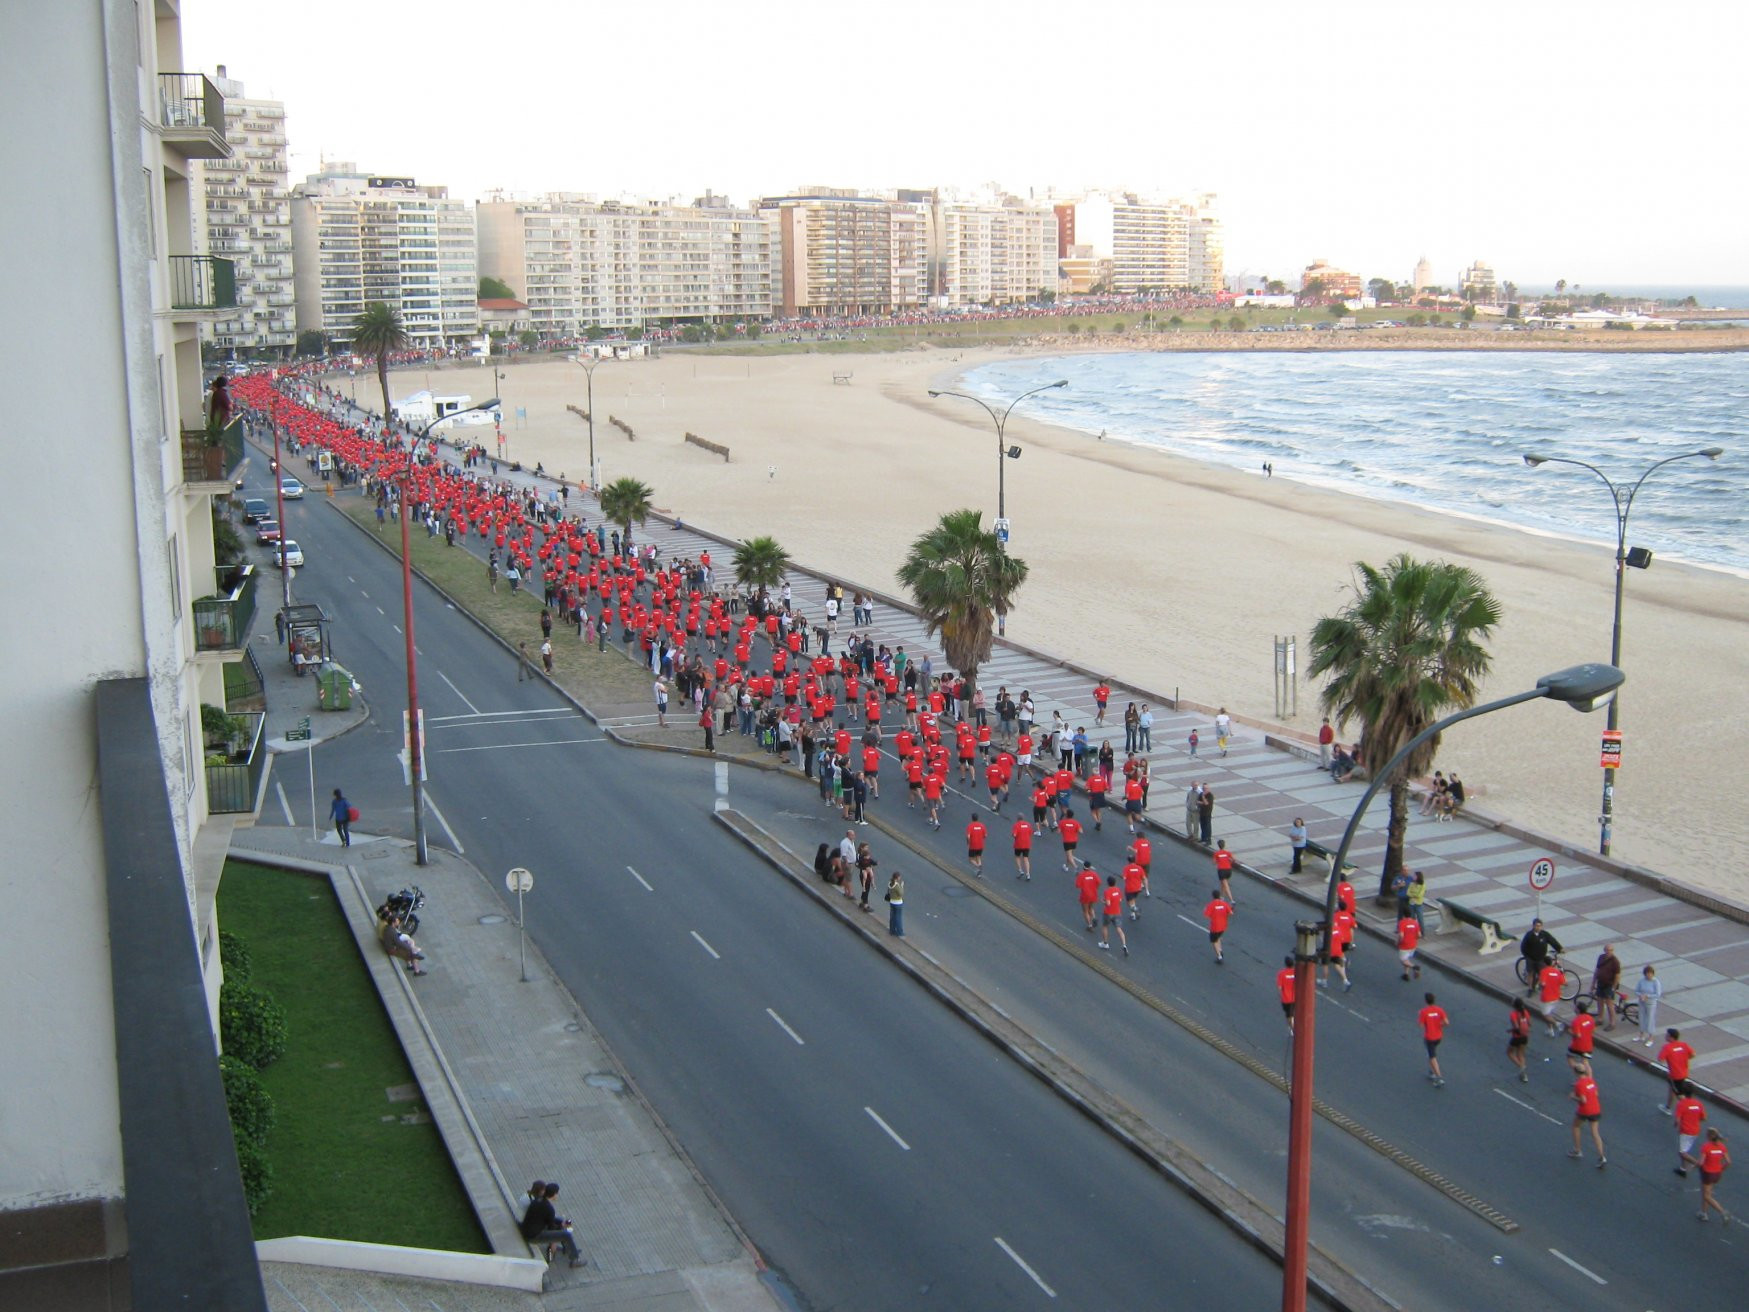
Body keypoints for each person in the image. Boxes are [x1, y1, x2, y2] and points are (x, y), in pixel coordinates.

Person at [520, 1181, 584, 1267]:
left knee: (560, 1221)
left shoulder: (538, 1200)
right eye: (557, 1193)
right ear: (554, 1195)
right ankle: (574, 1259)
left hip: (529, 1228)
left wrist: (560, 1223)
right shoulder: (549, 1208)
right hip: (534, 1235)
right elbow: (551, 1227)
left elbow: (548, 1219)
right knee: (566, 1235)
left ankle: (568, 1249)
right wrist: (561, 1226)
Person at [1569, 1062, 1607, 1167]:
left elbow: (1583, 1100)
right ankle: (1602, 1156)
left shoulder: (1579, 1084)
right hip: (1596, 1109)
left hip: (1585, 1110)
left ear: (1575, 1072)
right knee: (1595, 1133)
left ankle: (1577, 1150)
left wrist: (1573, 1097)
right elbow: (1596, 1093)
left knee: (1576, 1126)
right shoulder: (1591, 1080)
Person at [1697, 1128, 1731, 1222]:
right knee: (1707, 1192)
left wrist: (1696, 1164)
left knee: (1706, 1196)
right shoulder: (1722, 1147)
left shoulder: (1706, 1147)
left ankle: (1723, 1212)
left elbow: (1701, 1162)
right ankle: (1703, 1213)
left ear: (1709, 1136)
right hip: (1717, 1173)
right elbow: (1728, 1162)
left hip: (1707, 1173)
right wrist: (1721, 1169)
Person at [1673, 1082, 1707, 1177]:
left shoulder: (1681, 1104)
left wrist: (1676, 1125)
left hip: (1686, 1131)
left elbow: (1677, 1120)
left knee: (1682, 1153)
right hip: (1695, 1130)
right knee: (1685, 1149)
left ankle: (1698, 1164)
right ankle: (1683, 1169)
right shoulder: (1698, 1104)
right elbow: (1703, 1118)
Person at [1658, 1029, 1697, 1112]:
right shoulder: (1684, 1045)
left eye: (1667, 1035)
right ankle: (1668, 1107)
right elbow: (1693, 1054)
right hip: (1684, 1072)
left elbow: (1660, 1059)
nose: (1665, 1036)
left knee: (1679, 1094)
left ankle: (1690, 1110)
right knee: (1673, 1089)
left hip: (1674, 1075)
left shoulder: (1667, 1047)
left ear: (1671, 1037)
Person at [1520, 917, 1563, 983]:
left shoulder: (1544, 934)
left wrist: (1559, 948)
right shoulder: (1529, 935)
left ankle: (1541, 984)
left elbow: (1552, 941)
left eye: (1540, 926)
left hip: (1540, 957)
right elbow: (1523, 947)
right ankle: (1530, 987)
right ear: (1533, 926)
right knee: (1530, 973)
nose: (1538, 928)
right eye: (1536, 926)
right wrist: (1527, 956)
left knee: (1542, 972)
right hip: (1531, 958)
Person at [1418, 993, 1448, 1087]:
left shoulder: (1424, 1012)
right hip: (1438, 1037)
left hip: (1429, 1038)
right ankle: (1432, 1071)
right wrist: (1439, 1025)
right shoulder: (1440, 1010)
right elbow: (1446, 1022)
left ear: (1425, 1001)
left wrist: (1426, 1021)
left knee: (1432, 1057)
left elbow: (1421, 1025)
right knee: (1432, 1052)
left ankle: (1439, 1077)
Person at [1591, 944, 1622, 1031]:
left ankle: (1612, 1023)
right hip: (1600, 983)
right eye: (1607, 950)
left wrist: (1613, 987)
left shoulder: (1615, 961)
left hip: (1609, 985)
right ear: (1604, 950)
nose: (1608, 952)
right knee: (1599, 1001)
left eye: (1610, 950)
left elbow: (1617, 975)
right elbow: (1597, 970)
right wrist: (1593, 983)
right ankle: (1600, 1019)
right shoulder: (1601, 957)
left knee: (1609, 1004)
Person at [1538, 957, 1568, 1036]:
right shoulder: (1557, 972)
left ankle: (1558, 1024)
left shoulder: (1543, 971)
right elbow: (1565, 983)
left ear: (1544, 963)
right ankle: (1550, 1030)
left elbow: (1542, 984)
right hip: (1556, 997)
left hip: (1546, 998)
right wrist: (1562, 973)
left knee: (1545, 1015)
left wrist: (1540, 986)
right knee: (1549, 1014)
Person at [1099, 877, 1128, 956]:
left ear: (1108, 883)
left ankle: (1105, 943)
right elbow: (1120, 900)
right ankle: (1124, 945)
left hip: (1108, 913)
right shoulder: (1118, 890)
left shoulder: (1107, 891)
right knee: (1119, 929)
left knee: (1105, 926)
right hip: (1117, 912)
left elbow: (1108, 903)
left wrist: (1103, 901)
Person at [1567, 997, 1597, 1073]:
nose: (1574, 1008)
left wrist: (1569, 1031)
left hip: (1578, 1045)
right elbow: (1593, 1030)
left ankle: (1580, 1072)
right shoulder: (1591, 1019)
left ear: (1578, 1010)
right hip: (1588, 1045)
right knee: (1585, 1062)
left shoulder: (1576, 1021)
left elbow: (1578, 1035)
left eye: (1575, 1007)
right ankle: (1589, 1078)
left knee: (1570, 1057)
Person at [1506, 997, 1532, 1083]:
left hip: (1517, 1037)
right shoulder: (1525, 1012)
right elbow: (1530, 1023)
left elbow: (1516, 1027)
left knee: (1509, 1053)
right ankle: (1524, 1075)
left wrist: (1510, 1030)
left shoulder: (1513, 1014)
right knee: (1521, 1054)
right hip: (1525, 1036)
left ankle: (1521, 1066)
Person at [1636, 964, 1663, 1045]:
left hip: (1651, 1003)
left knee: (1650, 1019)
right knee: (1641, 1017)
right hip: (1642, 1001)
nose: (1649, 975)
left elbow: (1658, 994)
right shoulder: (1641, 981)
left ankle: (1651, 1038)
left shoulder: (1655, 982)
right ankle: (1641, 1034)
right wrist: (1640, 995)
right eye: (1647, 973)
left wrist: (1647, 996)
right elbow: (1636, 990)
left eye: (1650, 973)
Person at [1203, 889, 1233, 963]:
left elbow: (1206, 915)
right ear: (1219, 896)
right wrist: (1224, 916)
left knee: (1214, 941)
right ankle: (1220, 950)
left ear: (1213, 896)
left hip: (1215, 927)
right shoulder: (1224, 904)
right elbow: (1231, 913)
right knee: (1218, 937)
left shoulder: (1211, 905)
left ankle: (1219, 957)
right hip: (1223, 926)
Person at [1397, 915, 1421, 981]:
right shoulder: (1415, 922)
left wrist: (1398, 942)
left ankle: (1414, 967)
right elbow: (1419, 935)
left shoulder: (1402, 922)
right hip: (1413, 945)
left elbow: (1401, 935)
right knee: (1407, 959)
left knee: (1403, 960)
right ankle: (1406, 975)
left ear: (1404, 915)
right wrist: (1414, 939)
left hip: (1404, 946)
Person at [1277, 956, 1298, 1032]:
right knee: (1292, 1014)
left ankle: (1292, 1029)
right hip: (1295, 997)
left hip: (1286, 999)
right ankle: (1292, 1027)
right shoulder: (1296, 973)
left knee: (1289, 1015)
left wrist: (1281, 996)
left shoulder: (1281, 974)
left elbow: (1279, 987)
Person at [1011, 816, 1033, 880]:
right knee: (1026, 858)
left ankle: (1020, 870)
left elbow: (1014, 835)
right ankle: (1028, 874)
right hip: (1027, 844)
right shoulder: (1028, 824)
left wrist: (1013, 835)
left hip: (1018, 844)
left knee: (1017, 856)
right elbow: (1030, 833)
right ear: (1023, 818)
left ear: (1017, 819)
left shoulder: (1016, 825)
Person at [884, 870, 905, 937]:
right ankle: (900, 932)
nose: (900, 878)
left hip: (892, 902)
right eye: (899, 877)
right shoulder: (896, 885)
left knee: (892, 917)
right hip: (898, 903)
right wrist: (902, 886)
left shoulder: (890, 883)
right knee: (898, 917)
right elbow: (901, 893)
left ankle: (892, 930)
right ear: (897, 877)